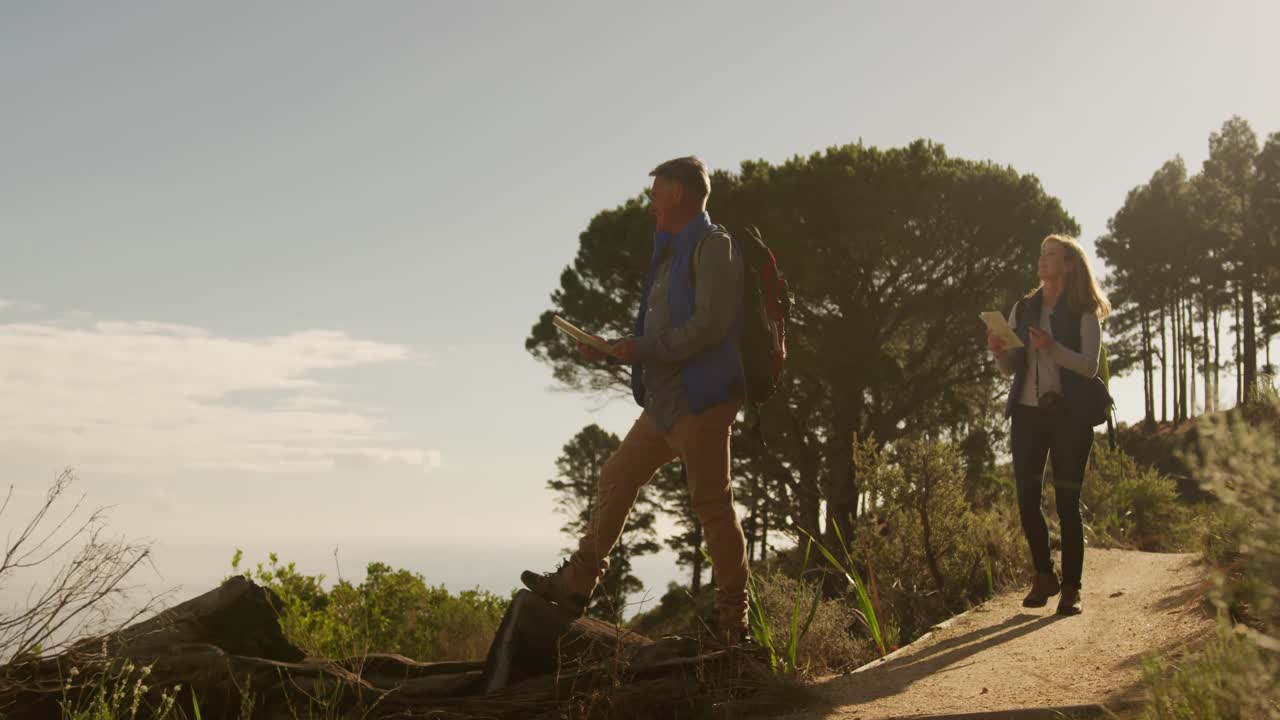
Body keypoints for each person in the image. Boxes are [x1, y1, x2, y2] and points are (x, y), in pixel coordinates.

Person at [521, 156, 751, 641]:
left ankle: (735, 625)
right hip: (665, 401)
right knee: (615, 477)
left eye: (655, 195)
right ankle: (575, 585)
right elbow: (661, 333)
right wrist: (613, 349)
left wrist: (639, 348)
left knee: (712, 506)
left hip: (702, 400)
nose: (649, 206)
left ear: (680, 195)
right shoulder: (668, 254)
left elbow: (710, 326)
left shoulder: (714, 247)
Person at [987, 234, 1111, 616]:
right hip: (1026, 414)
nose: (1042, 259)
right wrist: (1000, 352)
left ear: (1069, 265)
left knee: (1067, 502)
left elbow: (1090, 366)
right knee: (1026, 497)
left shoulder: (1084, 310)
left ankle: (1071, 588)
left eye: (1051, 254)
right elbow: (1010, 368)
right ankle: (1044, 574)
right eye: (1040, 253)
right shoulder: (1022, 310)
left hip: (1071, 417)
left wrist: (1053, 350)